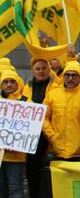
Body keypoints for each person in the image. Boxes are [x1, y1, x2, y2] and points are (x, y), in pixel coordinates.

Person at [22, 56, 58, 198]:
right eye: (38, 68)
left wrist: (70, 55)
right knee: (31, 170)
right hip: (31, 136)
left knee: (48, 171)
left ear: (49, 70)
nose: (41, 71)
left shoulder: (57, 85)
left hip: (49, 134)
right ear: (32, 71)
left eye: (44, 68)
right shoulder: (26, 87)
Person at [43, 61, 80, 161]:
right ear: (63, 76)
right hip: (55, 148)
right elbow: (44, 118)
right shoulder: (53, 94)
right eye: (67, 75)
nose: (70, 78)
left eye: (74, 75)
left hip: (78, 150)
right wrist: (51, 136)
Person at [0, 70, 29, 198]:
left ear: (18, 84)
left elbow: (32, 128)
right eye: (5, 82)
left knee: (15, 187)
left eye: (12, 82)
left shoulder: (27, 103)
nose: (9, 85)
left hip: (16, 156)